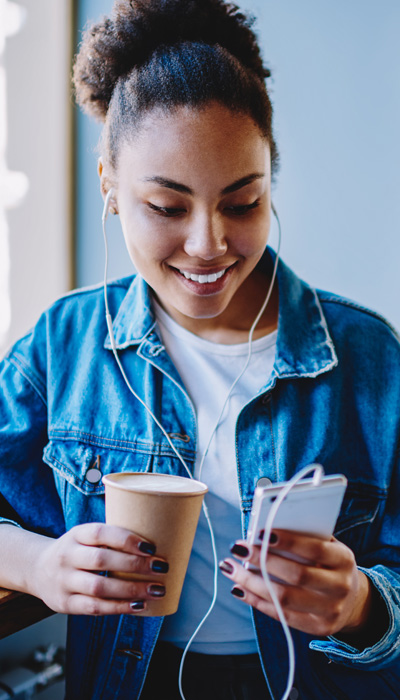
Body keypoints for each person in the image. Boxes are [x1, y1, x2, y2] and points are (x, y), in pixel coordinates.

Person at [0, 1, 399, 698]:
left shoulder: (369, 357)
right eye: (168, 207)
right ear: (110, 187)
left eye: (243, 203)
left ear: (270, 181)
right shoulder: (61, 346)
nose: (209, 244)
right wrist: (37, 565)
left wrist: (361, 605)